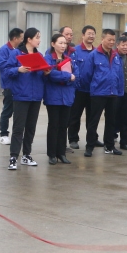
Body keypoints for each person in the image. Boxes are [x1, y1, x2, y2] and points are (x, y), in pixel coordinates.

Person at [4, 28, 44, 169]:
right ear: (29, 39)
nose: (39, 40)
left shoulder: (39, 55)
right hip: (21, 95)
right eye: (37, 37)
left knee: (31, 127)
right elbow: (7, 71)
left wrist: (46, 71)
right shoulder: (16, 53)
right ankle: (13, 157)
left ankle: (26, 155)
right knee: (18, 128)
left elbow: (41, 73)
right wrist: (18, 70)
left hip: (36, 96)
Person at [81, 28, 124, 157]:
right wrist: (94, 88)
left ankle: (109, 146)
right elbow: (86, 75)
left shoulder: (116, 56)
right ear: (102, 39)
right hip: (98, 93)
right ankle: (90, 146)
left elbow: (119, 75)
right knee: (93, 121)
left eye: (113, 40)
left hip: (113, 93)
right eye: (109, 40)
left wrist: (119, 91)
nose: (111, 42)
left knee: (111, 121)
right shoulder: (93, 55)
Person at [44, 32, 76, 165]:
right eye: (60, 43)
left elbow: (76, 74)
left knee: (64, 126)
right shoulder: (48, 58)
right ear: (53, 44)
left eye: (65, 43)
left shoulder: (69, 59)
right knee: (53, 125)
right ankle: (51, 154)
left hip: (67, 96)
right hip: (53, 96)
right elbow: (51, 75)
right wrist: (67, 76)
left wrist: (68, 77)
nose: (63, 46)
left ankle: (61, 153)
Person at [68, 25, 99, 149]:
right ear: (83, 35)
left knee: (92, 117)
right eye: (89, 33)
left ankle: (92, 139)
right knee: (75, 116)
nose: (91, 36)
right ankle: (73, 139)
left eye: (93, 34)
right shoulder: (75, 51)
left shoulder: (97, 52)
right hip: (78, 90)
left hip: (93, 90)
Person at [0, 27, 24, 145]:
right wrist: (16, 69)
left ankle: (16, 134)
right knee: (7, 110)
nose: (23, 40)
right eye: (22, 38)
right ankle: (3, 134)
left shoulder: (20, 50)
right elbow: (3, 67)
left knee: (18, 112)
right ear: (15, 38)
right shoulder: (4, 50)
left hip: (19, 84)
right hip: (9, 85)